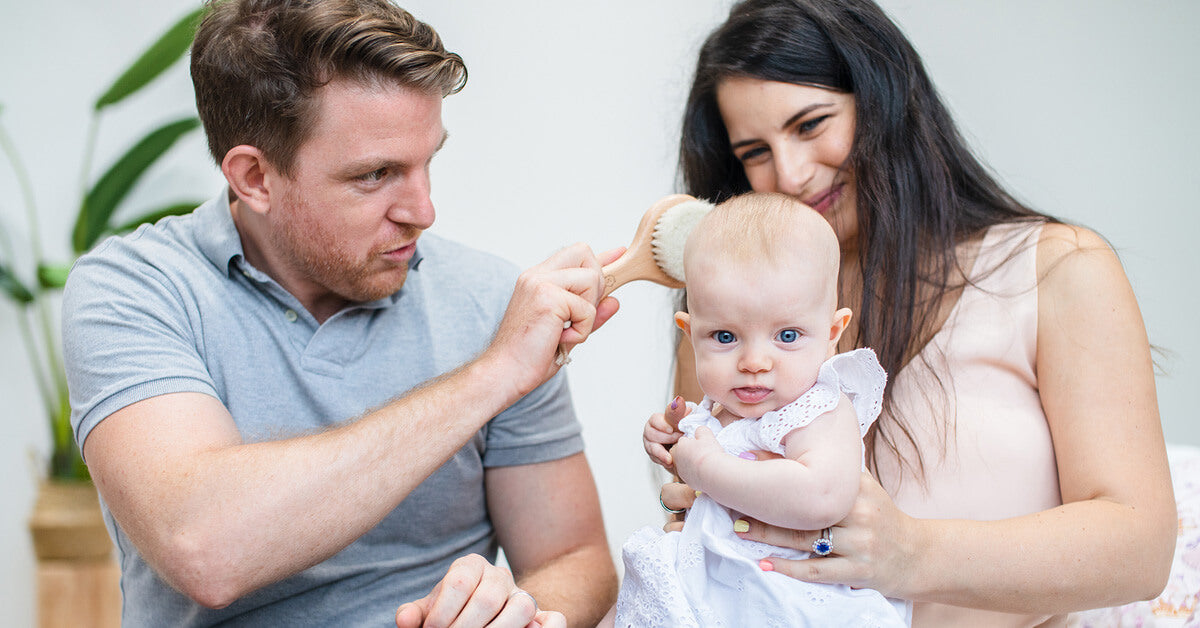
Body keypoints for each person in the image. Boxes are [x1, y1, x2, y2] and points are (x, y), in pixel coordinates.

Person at [61, 1, 617, 626]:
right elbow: (204, 548)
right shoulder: (136, 290)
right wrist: (491, 376)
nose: (423, 210)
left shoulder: (489, 300)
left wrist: (533, 618)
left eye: (427, 160)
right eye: (376, 174)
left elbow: (574, 556)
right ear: (255, 178)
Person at [655, 0, 1176, 626]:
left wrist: (910, 554)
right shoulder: (735, 314)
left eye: (811, 124)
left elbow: (1141, 550)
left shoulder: (1056, 268)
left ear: (885, 101)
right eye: (755, 152)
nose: (789, 173)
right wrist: (698, 504)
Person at [602, 193, 908, 626]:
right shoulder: (727, 406)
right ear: (692, 335)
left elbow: (823, 494)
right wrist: (677, 434)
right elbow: (719, 450)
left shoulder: (818, 409)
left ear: (832, 332)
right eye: (725, 337)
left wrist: (707, 467)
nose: (754, 362)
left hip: (791, 599)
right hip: (718, 594)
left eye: (786, 335)